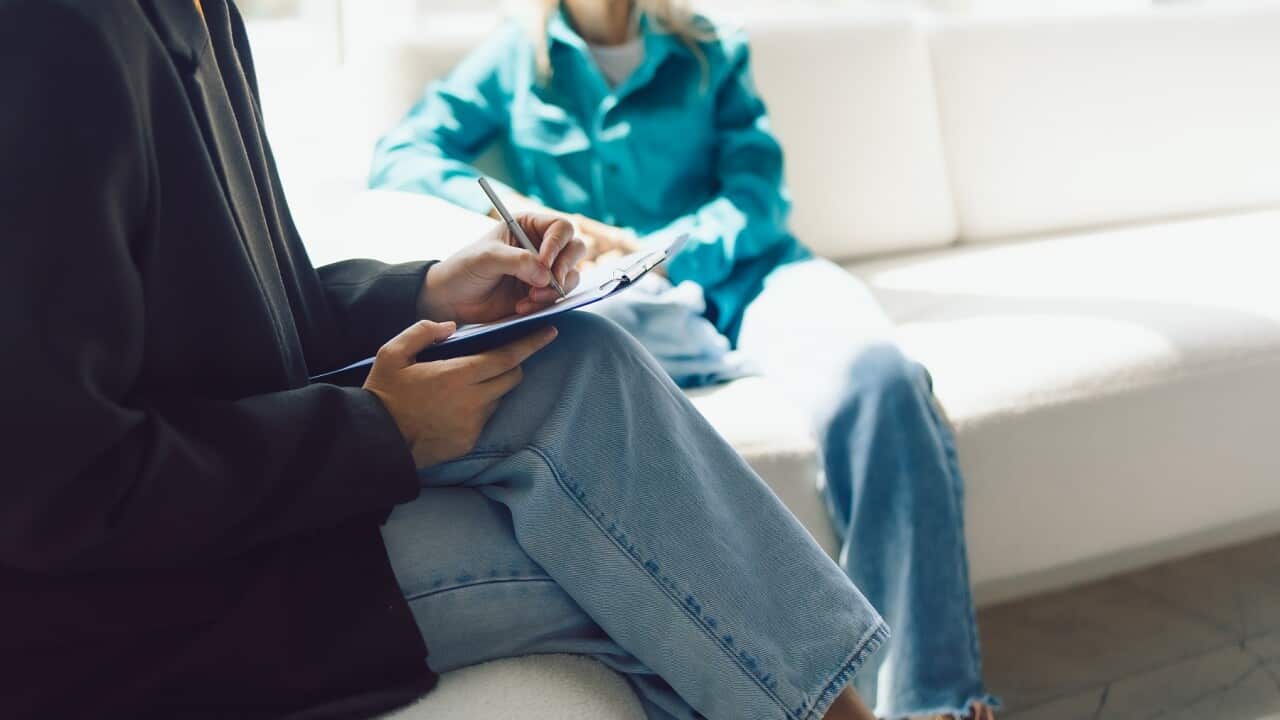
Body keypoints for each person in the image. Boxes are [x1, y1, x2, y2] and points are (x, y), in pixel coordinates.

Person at [0, 1, 894, 719]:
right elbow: (52, 489)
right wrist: (378, 432)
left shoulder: (203, 15)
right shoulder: (55, 36)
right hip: (139, 614)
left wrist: (429, 291)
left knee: (578, 357)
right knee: (660, 585)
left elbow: (243, 319)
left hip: (251, 523)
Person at [368, 1, 999, 718]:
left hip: (752, 277)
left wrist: (664, 252)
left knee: (883, 379)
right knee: (578, 369)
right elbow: (400, 157)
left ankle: (929, 702)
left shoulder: (707, 48)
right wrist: (512, 207)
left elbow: (757, 197)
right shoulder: (514, 60)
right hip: (625, 305)